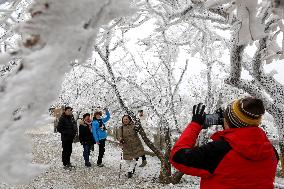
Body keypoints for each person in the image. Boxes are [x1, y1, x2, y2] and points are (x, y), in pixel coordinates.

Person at [170, 97, 279, 189]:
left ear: (229, 121)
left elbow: (177, 156)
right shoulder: (272, 152)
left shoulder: (218, 151)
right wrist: (229, 127)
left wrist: (195, 123)